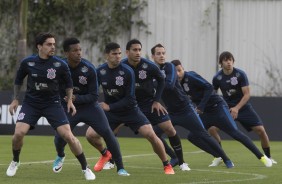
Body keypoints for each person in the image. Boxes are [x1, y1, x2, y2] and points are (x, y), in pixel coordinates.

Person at [6, 32, 95, 180]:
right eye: (49, 44)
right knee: (18, 134)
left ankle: (85, 168)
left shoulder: (60, 64)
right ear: (39, 46)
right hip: (31, 104)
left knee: (69, 136)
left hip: (52, 104)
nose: (53, 47)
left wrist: (70, 101)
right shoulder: (28, 62)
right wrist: (15, 99)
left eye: (54, 44)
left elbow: (69, 84)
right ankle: (15, 161)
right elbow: (18, 80)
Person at [85, 42, 175, 174]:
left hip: (130, 110)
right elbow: (92, 91)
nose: (117, 56)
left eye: (119, 53)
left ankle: (167, 164)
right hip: (112, 113)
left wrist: (109, 106)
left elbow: (130, 99)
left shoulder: (128, 71)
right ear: (107, 56)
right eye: (114, 54)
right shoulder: (100, 71)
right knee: (90, 135)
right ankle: (105, 154)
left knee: (151, 135)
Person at [170, 59, 272, 167]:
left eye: (179, 70)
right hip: (205, 113)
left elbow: (209, 87)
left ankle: (262, 157)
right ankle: (218, 156)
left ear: (183, 69)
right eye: (175, 71)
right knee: (192, 136)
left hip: (218, 107)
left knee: (235, 134)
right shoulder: (176, 84)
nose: (178, 73)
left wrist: (201, 106)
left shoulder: (190, 76)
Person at [52, 37, 129, 176]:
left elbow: (94, 95)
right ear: (66, 53)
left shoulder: (89, 69)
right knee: (59, 137)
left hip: (89, 107)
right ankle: (60, 155)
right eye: (75, 50)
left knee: (107, 133)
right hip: (68, 108)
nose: (79, 53)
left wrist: (77, 98)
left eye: (80, 50)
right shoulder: (59, 67)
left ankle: (121, 168)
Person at [151, 43, 234, 168]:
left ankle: (226, 159)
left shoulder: (170, 67)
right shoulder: (152, 71)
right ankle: (175, 158)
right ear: (153, 56)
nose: (162, 56)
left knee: (203, 134)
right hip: (172, 112)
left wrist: (153, 84)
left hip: (186, 109)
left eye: (163, 53)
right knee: (155, 134)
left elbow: (169, 85)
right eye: (158, 53)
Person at [121, 39, 189, 171]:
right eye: (135, 50)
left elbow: (162, 81)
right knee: (113, 129)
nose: (138, 52)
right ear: (127, 52)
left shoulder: (148, 65)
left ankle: (181, 162)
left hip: (149, 103)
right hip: (130, 105)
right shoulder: (122, 65)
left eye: (139, 50)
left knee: (169, 129)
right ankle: (110, 160)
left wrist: (157, 101)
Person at [211, 51, 277, 164]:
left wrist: (236, 108)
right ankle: (220, 156)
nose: (228, 62)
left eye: (230, 60)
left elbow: (247, 94)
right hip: (227, 108)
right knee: (212, 129)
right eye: (225, 60)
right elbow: (212, 94)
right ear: (221, 63)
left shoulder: (240, 74)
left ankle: (268, 157)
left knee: (261, 131)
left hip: (243, 107)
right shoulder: (217, 77)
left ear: (233, 61)